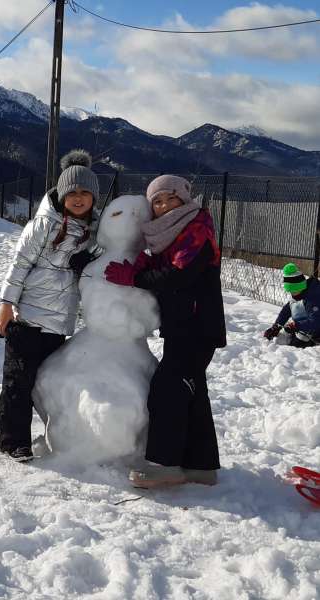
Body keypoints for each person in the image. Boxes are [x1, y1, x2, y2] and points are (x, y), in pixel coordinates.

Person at [105, 175, 226, 488]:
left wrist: (135, 278)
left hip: (196, 328)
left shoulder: (197, 228)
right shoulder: (171, 233)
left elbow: (177, 275)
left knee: (167, 390)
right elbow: (162, 267)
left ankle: (164, 463)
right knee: (192, 392)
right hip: (182, 327)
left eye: (168, 198)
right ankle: (201, 465)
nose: (162, 206)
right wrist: (139, 268)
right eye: (156, 201)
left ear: (183, 198)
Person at [0, 149, 101, 462]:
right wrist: (6, 304)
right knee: (18, 383)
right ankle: (13, 441)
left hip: (58, 324)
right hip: (26, 319)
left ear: (94, 197)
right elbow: (20, 262)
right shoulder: (43, 224)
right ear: (61, 194)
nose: (79, 198)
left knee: (46, 383)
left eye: (85, 193)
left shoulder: (93, 234)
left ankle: (58, 435)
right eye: (72, 192)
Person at [263, 264, 319, 348]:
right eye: (290, 291)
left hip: (316, 329)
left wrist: (296, 325)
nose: (292, 293)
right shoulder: (300, 293)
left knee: (294, 347)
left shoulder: (314, 296)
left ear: (301, 286)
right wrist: (276, 326)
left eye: (294, 290)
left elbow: (317, 321)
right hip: (306, 327)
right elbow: (287, 310)